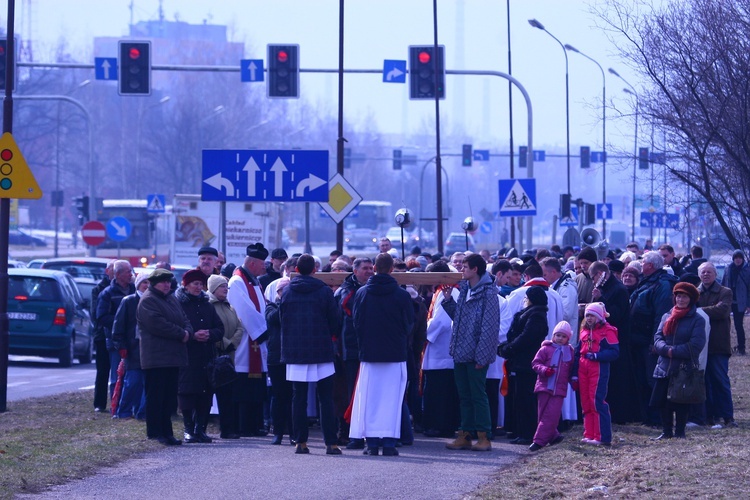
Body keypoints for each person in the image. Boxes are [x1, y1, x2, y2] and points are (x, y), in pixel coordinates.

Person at [349, 252, 414, 457]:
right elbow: (408, 324)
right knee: (392, 401)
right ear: (392, 269)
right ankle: (389, 443)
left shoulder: (362, 293)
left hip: (370, 353)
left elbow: (356, 323)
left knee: (370, 399)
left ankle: (372, 443)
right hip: (395, 353)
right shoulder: (402, 295)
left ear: (374, 268)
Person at [280, 254, 342, 455]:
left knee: (299, 398)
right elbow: (334, 320)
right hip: (321, 348)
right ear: (315, 270)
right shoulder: (324, 291)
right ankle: (331, 443)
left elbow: (282, 320)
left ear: (296, 269)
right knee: (326, 398)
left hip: (296, 350)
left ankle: (300, 441)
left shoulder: (288, 292)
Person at [442, 253, 501, 452]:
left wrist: (482, 357)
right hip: (461, 352)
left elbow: (490, 327)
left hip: (476, 354)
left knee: (478, 395)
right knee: (464, 395)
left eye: (465, 266)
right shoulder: (465, 289)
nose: (461, 270)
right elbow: (459, 319)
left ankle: (484, 436)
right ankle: (465, 434)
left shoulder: (489, 293)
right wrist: (449, 301)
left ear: (475, 269)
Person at [137, 268, 193, 446]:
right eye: (163, 282)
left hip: (172, 356)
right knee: (156, 396)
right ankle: (155, 431)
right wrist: (181, 334)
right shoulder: (148, 300)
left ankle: (167, 432)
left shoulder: (171, 298)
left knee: (168, 397)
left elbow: (185, 318)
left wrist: (188, 332)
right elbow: (158, 325)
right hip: (156, 357)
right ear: (154, 283)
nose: (167, 285)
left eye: (169, 282)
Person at [650, 282, 706, 440]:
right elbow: (658, 337)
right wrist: (664, 349)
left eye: (685, 297)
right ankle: (666, 431)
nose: (681, 299)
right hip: (664, 365)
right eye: (678, 296)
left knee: (681, 400)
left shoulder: (697, 319)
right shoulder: (667, 316)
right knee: (662, 401)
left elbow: (696, 345)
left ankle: (680, 432)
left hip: (683, 367)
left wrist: (672, 351)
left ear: (691, 299)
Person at [227, 243, 271, 437]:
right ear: (252, 263)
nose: (265, 268)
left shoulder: (254, 280)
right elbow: (244, 311)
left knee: (256, 388)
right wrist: (263, 331)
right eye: (263, 264)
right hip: (247, 340)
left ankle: (254, 424)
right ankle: (244, 425)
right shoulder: (237, 281)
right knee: (244, 388)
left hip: (257, 340)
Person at [176, 269, 225, 443]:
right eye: (195, 284)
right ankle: (188, 429)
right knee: (187, 393)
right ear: (186, 285)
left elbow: (220, 329)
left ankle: (200, 429)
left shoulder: (207, 305)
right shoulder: (178, 304)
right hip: (187, 356)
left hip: (206, 356)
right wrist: (192, 335)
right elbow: (176, 329)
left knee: (205, 394)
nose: (198, 287)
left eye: (200, 284)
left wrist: (209, 334)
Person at [629, 251, 677, 425]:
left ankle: (658, 418)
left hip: (650, 342)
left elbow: (661, 316)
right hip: (639, 340)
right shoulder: (648, 282)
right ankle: (646, 416)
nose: (641, 264)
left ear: (650, 265)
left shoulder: (662, 285)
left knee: (653, 380)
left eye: (643, 262)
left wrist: (655, 342)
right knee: (642, 379)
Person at [589, 261, 639, 424]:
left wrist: (600, 299)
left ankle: (620, 414)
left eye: (592, 277)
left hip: (617, 341)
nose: (592, 281)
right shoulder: (607, 286)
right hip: (607, 340)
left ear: (599, 274)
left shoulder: (618, 289)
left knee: (619, 380)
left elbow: (615, 315)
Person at [498, 286, 550, 446]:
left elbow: (527, 337)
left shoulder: (536, 316)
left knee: (526, 398)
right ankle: (520, 430)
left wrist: (510, 347)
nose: (524, 301)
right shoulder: (533, 314)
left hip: (527, 362)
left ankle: (527, 433)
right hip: (521, 361)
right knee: (519, 397)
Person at [334, 257, 374, 450]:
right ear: (355, 270)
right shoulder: (346, 291)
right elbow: (349, 310)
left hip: (371, 349)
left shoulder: (372, 288)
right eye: (365, 268)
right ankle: (350, 432)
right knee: (350, 393)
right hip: (349, 349)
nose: (368, 271)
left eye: (371, 268)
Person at [421, 260, 461, 438]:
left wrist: (424, 332)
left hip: (442, 350)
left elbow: (441, 322)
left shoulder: (448, 291)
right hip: (442, 349)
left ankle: (439, 425)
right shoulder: (445, 290)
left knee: (439, 392)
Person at [573, 302, 619, 446]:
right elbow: (577, 352)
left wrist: (597, 356)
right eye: (587, 315)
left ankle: (602, 436)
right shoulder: (584, 331)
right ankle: (590, 433)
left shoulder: (607, 331)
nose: (589, 318)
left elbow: (614, 352)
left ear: (599, 316)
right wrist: (574, 372)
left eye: (592, 315)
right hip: (583, 368)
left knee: (596, 401)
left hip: (598, 368)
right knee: (586, 401)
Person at [697, 262, 737, 428]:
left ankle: (727, 416)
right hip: (700, 344)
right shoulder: (695, 292)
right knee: (704, 381)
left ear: (715, 274)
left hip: (718, 344)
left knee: (720, 380)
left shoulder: (725, 292)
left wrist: (698, 311)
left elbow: (722, 311)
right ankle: (709, 416)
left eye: (709, 272)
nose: (706, 275)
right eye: (703, 272)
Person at [207, 274, 244, 439]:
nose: (226, 289)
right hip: (214, 356)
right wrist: (223, 343)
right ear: (214, 288)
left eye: (226, 287)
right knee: (208, 394)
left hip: (228, 357)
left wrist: (231, 343)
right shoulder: (208, 306)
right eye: (223, 286)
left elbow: (239, 327)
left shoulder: (230, 307)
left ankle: (228, 429)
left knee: (227, 395)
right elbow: (209, 327)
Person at [95, 260, 136, 410]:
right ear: (117, 274)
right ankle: (116, 407)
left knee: (133, 375)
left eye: (130, 271)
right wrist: (122, 322)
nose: (130, 274)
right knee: (116, 376)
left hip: (134, 340)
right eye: (127, 271)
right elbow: (102, 317)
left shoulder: (134, 290)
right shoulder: (107, 294)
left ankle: (130, 406)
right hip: (115, 341)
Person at [529, 321, 575, 451]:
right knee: (543, 414)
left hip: (559, 389)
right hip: (544, 386)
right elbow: (535, 363)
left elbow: (571, 369)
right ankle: (554, 436)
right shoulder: (545, 349)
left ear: (568, 338)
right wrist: (544, 370)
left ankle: (538, 441)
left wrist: (574, 380)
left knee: (552, 415)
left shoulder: (570, 352)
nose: (560, 338)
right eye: (558, 335)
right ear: (553, 336)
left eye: (563, 336)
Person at [111, 273, 149, 420]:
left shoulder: (153, 301)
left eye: (149, 283)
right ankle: (124, 411)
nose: (147, 286)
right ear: (138, 284)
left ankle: (143, 413)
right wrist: (121, 345)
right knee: (132, 383)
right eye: (144, 282)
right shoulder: (129, 301)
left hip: (149, 349)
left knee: (148, 385)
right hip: (133, 350)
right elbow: (118, 326)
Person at [265, 277, 293, 445]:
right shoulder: (271, 306)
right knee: (278, 396)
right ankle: (278, 431)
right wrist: (286, 303)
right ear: (279, 292)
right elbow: (274, 319)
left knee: (293, 396)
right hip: (276, 357)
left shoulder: (295, 307)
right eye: (284, 291)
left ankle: (293, 432)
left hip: (292, 356)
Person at [92, 260, 115, 412]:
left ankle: (117, 402)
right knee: (103, 370)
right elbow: (96, 314)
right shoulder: (99, 289)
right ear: (108, 272)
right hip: (102, 334)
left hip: (120, 336)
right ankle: (99, 403)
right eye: (114, 270)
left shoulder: (129, 288)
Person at [721, 249, 750, 355]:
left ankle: (741, 348)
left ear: (742, 259)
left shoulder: (747, 271)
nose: (738, 260)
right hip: (728, 301)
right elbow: (723, 284)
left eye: (740, 258)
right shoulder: (728, 269)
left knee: (738, 325)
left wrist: (748, 304)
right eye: (736, 258)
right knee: (724, 325)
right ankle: (725, 347)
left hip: (740, 301)